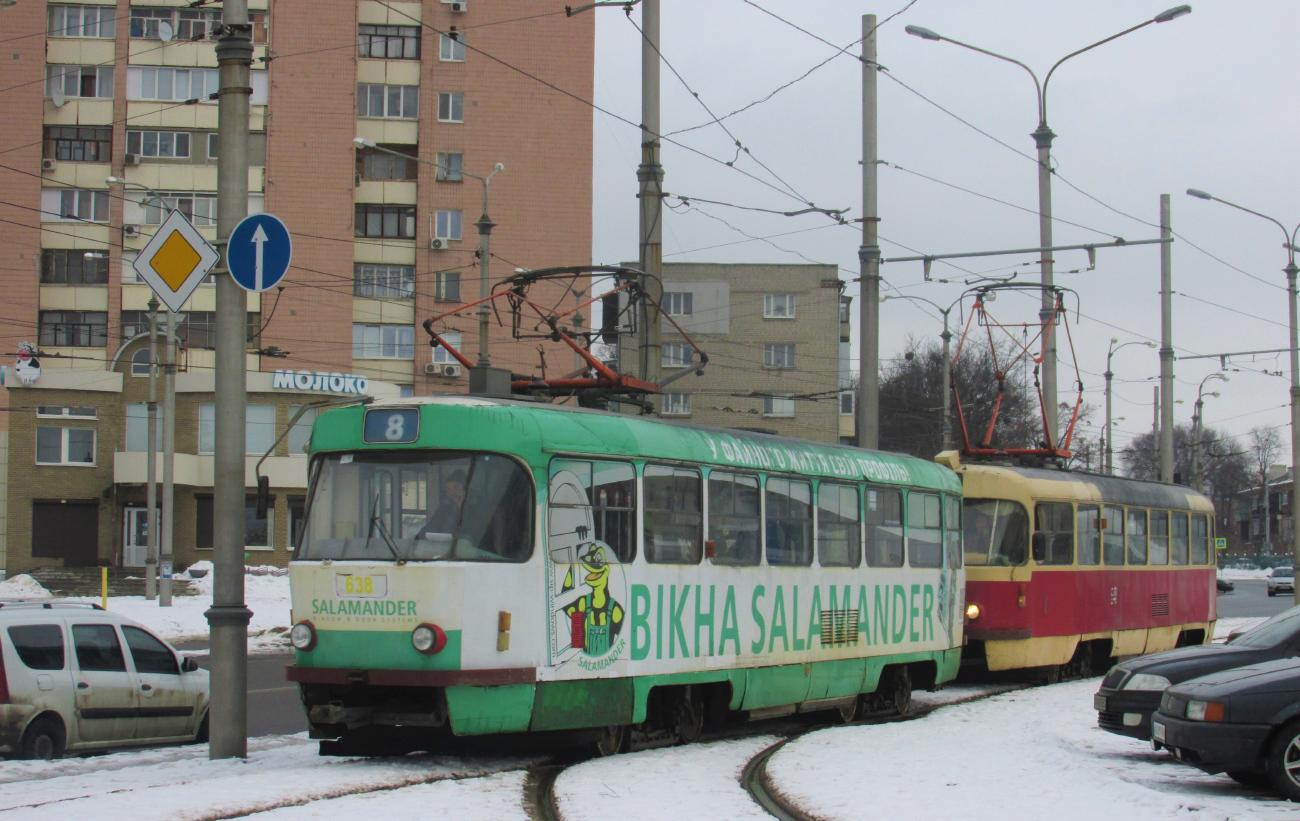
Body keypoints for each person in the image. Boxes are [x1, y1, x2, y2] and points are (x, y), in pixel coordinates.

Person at [419, 469, 467, 538]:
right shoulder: (443, 510)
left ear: (464, 487)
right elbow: (428, 529)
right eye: (448, 489)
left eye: (455, 487)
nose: (452, 492)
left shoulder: (477, 508)